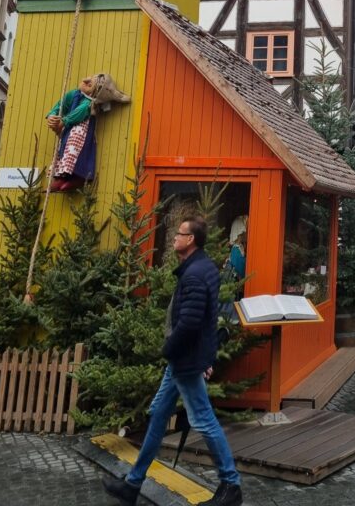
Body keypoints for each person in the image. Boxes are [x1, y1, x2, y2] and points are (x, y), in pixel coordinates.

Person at [102, 216, 242, 506]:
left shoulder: (194, 274)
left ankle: (231, 485)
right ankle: (133, 484)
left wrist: (170, 349)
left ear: (190, 240)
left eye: (180, 233)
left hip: (185, 360)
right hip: (187, 358)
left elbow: (190, 323)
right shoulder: (202, 267)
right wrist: (206, 355)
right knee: (158, 415)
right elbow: (208, 320)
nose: (175, 237)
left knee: (204, 420)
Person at [46, 73, 129, 192]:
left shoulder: (90, 103)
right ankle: (61, 177)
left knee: (76, 150)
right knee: (63, 149)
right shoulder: (73, 94)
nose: (88, 81)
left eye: (93, 83)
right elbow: (61, 105)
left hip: (82, 132)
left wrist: (63, 121)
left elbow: (80, 111)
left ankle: (78, 177)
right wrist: (52, 115)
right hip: (67, 131)